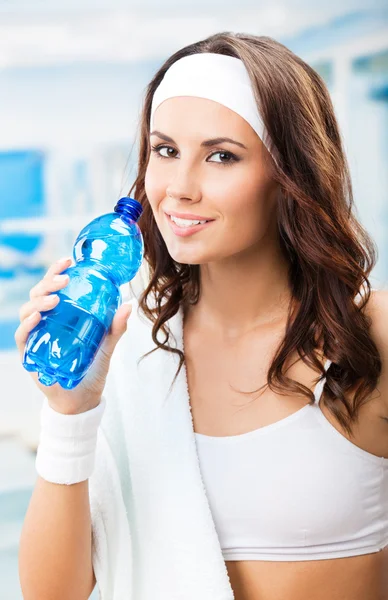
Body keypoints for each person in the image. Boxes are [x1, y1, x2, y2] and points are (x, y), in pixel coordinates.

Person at [17, 32, 388, 600]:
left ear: (290, 174)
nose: (179, 189)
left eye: (221, 156)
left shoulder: (368, 335)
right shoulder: (130, 345)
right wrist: (70, 411)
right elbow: (53, 592)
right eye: (165, 151)